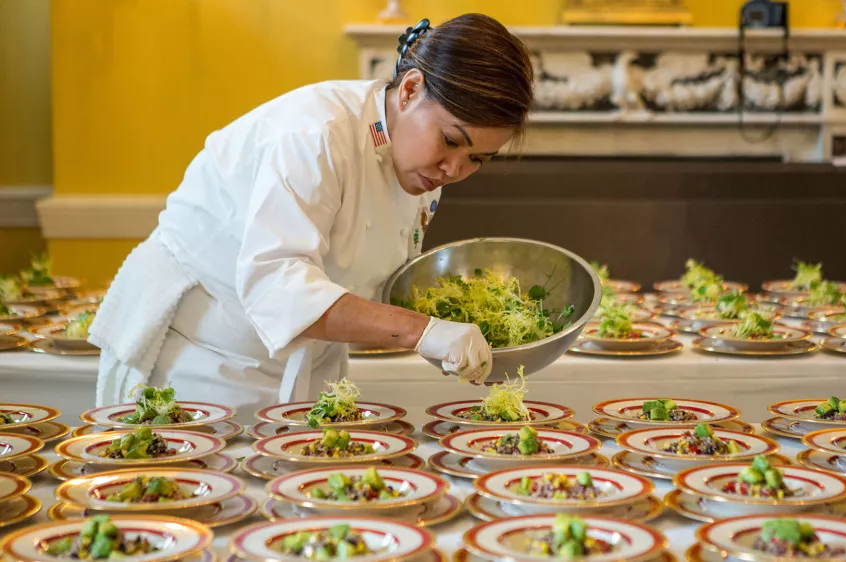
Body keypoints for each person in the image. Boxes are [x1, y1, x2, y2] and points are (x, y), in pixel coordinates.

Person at [88, 14, 535, 423]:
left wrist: (447, 325)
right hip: (201, 363)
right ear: (410, 89)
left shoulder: (418, 160)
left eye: (477, 158)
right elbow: (277, 285)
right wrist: (422, 330)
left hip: (307, 366)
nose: (454, 170)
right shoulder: (317, 134)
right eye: (451, 141)